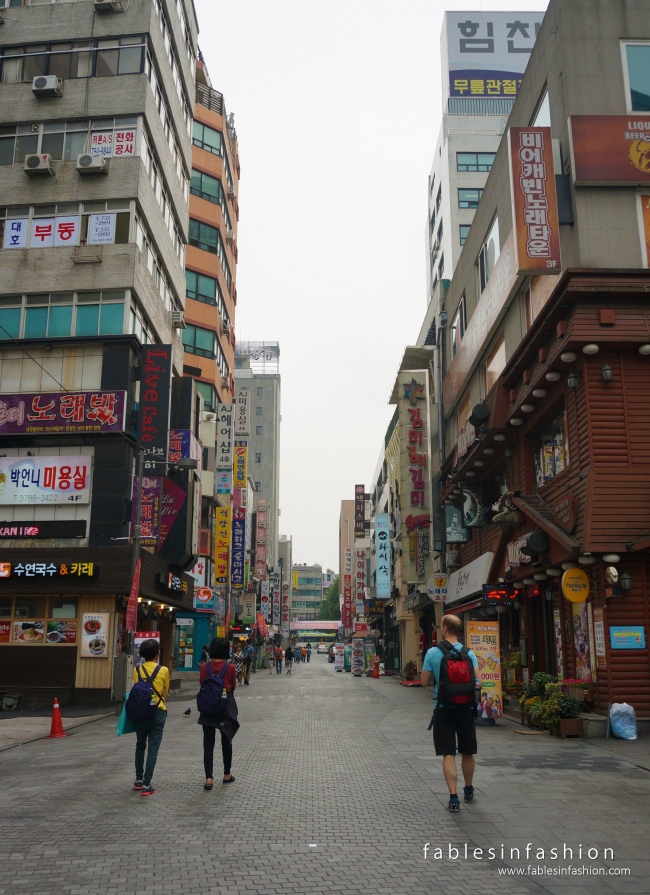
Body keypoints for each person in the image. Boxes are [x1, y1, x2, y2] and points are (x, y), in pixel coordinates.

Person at [420, 614, 480, 813]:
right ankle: (469, 789)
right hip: (466, 708)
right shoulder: (468, 653)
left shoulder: (433, 652)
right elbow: (477, 681)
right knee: (468, 750)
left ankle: (453, 798)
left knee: (448, 752)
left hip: (444, 707)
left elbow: (424, 682)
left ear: (445, 628)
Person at [198, 638, 239, 789]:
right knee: (226, 741)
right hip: (225, 708)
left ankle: (209, 778)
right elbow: (232, 686)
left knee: (208, 744)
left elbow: (202, 684)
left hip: (208, 708)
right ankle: (227, 774)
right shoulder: (230, 668)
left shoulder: (204, 668)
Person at [132, 638, 169, 797]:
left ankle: (139, 780)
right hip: (158, 711)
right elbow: (165, 691)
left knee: (140, 745)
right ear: (158, 653)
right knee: (153, 747)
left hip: (140, 711)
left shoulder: (137, 670)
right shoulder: (164, 670)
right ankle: (147, 783)